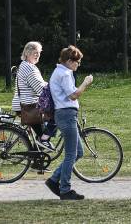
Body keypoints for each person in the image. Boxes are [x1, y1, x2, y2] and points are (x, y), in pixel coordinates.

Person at [45, 45, 93, 201]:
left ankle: (54, 180)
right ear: (69, 61)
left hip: (65, 114)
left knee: (78, 152)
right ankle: (65, 190)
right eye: (77, 62)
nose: (78, 65)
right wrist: (85, 83)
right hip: (66, 114)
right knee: (71, 154)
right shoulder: (64, 74)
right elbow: (73, 95)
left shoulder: (59, 72)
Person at [11, 41, 57, 150]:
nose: (38, 55)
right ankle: (39, 151)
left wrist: (53, 86)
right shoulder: (29, 68)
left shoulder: (28, 65)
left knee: (43, 132)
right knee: (56, 115)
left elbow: (40, 84)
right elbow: (40, 88)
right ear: (27, 53)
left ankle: (38, 152)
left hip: (28, 104)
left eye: (39, 53)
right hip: (29, 106)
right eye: (35, 53)